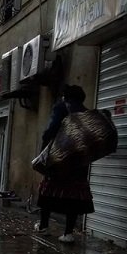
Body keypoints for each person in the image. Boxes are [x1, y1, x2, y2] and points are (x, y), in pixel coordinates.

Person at [34, 84, 94, 243]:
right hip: (79, 161)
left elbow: (51, 130)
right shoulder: (87, 113)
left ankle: (44, 226)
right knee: (73, 196)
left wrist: (45, 143)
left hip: (60, 157)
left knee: (48, 191)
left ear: (66, 97)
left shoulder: (62, 107)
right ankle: (68, 233)